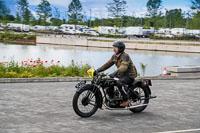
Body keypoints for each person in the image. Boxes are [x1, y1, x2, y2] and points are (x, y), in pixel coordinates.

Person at [94, 41, 137, 107]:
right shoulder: (114, 56)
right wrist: (98, 70)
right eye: (114, 47)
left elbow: (123, 67)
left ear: (120, 49)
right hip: (121, 75)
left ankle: (126, 100)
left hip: (129, 75)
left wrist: (114, 73)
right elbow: (107, 64)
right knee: (108, 82)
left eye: (116, 47)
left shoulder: (125, 56)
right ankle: (112, 98)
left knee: (119, 83)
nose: (114, 49)